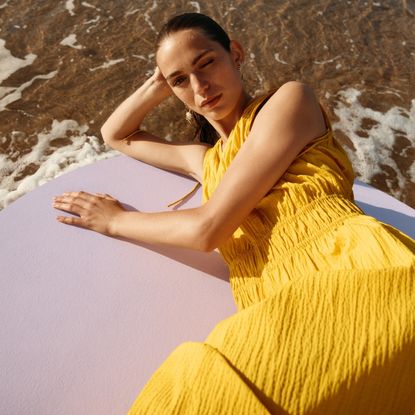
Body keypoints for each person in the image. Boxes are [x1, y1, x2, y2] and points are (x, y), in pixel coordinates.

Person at [53, 12, 415, 415]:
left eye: (206, 63)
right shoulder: (206, 160)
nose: (199, 87)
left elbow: (208, 229)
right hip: (274, 306)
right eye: (180, 80)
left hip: (354, 271)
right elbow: (116, 135)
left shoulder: (289, 101)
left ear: (236, 54)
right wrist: (162, 80)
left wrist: (116, 220)